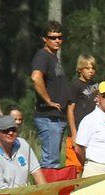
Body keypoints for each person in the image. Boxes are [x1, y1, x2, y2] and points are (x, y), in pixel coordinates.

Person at [31, 21, 69, 168]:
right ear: (44, 39)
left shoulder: (53, 57)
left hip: (56, 117)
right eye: (52, 37)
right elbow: (36, 77)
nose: (57, 40)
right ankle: (46, 184)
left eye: (59, 37)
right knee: (51, 163)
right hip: (48, 117)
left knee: (54, 161)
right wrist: (48, 100)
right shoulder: (43, 56)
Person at [0, 114, 46, 187]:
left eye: (13, 129)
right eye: (6, 130)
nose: (10, 133)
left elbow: (38, 174)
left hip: (22, 192)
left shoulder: (22, 144)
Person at [66, 55, 98, 172]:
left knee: (90, 166)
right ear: (80, 69)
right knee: (75, 167)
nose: (91, 71)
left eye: (93, 68)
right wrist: (74, 133)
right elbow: (70, 110)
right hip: (78, 129)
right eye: (87, 68)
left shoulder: (95, 85)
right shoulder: (75, 85)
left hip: (91, 131)